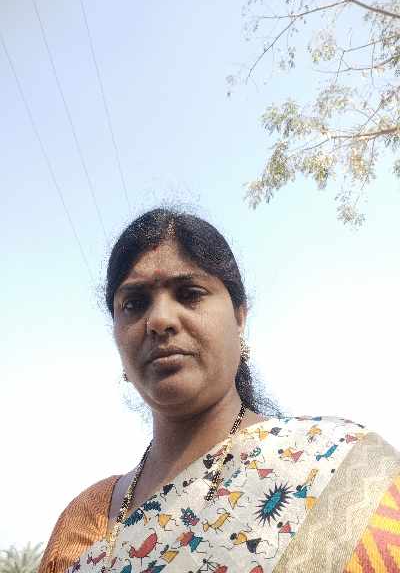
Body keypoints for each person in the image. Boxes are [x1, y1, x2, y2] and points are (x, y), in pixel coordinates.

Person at [39, 207, 400, 573]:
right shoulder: (83, 524)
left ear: (240, 317)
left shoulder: (343, 471)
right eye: (134, 303)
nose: (160, 319)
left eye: (189, 293)